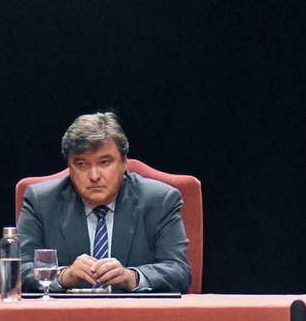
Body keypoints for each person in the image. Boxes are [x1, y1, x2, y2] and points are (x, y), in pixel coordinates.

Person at [17, 111, 190, 293]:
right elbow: (19, 271)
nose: (94, 176)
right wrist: (63, 276)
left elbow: (178, 271)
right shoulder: (42, 201)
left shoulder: (159, 201)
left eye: (105, 163)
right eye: (82, 164)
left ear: (124, 162)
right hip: (65, 318)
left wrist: (131, 277)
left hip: (136, 317)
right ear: (69, 166)